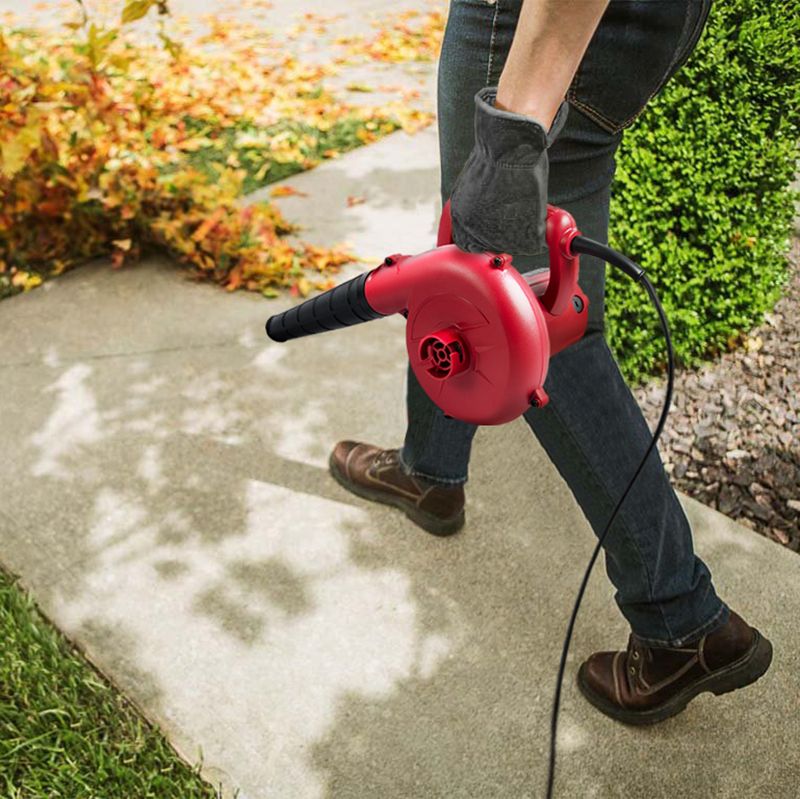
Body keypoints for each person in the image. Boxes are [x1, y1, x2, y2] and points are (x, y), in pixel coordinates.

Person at [329, 0, 772, 724]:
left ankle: (680, 618)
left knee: (522, 311)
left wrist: (515, 134)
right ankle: (430, 468)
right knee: (485, 266)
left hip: (536, 19)